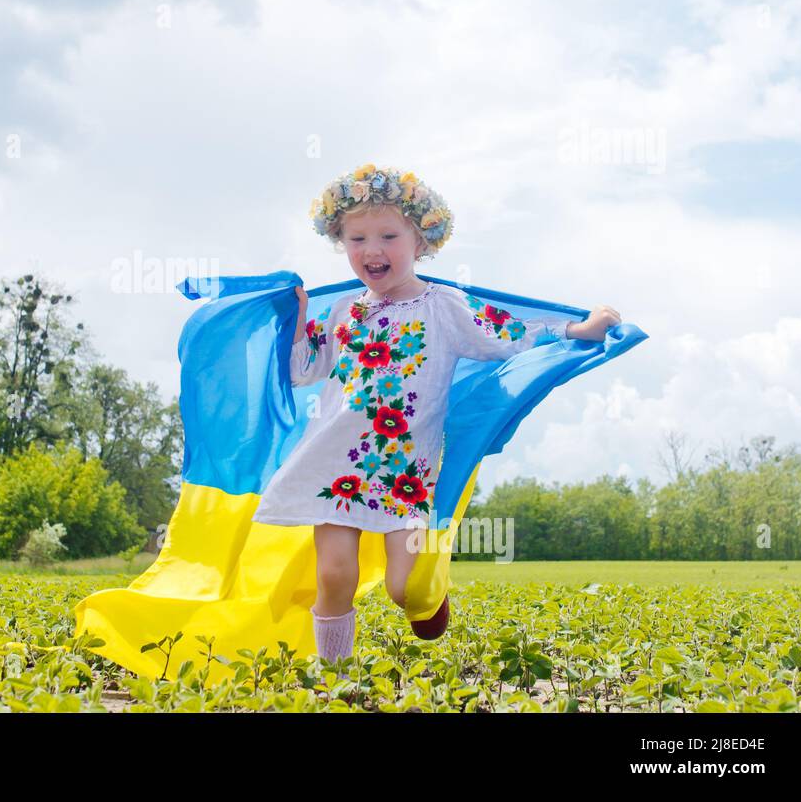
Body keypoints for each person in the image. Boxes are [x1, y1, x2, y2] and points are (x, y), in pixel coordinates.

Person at [249, 165, 621, 664]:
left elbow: (509, 334)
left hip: (408, 475)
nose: (371, 249)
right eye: (356, 237)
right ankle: (334, 676)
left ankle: (430, 595)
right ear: (341, 243)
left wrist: (576, 330)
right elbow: (301, 370)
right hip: (332, 467)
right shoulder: (341, 312)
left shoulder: (443, 306)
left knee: (406, 589)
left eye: (388, 235)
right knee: (334, 576)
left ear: (421, 241)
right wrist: (295, 319)